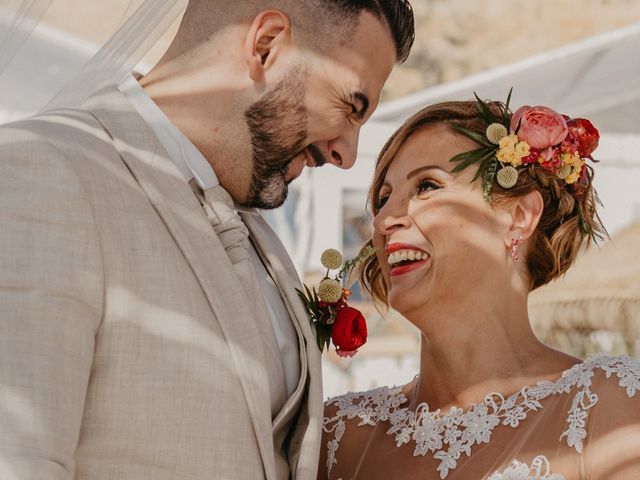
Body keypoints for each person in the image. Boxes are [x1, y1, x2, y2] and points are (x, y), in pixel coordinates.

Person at [0, 1, 415, 479]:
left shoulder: (265, 241)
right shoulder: (45, 174)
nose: (346, 153)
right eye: (351, 105)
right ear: (266, 46)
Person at [319, 98, 640, 480]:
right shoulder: (340, 436)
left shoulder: (605, 408)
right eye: (383, 198)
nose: (386, 218)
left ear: (518, 217)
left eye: (427, 185)